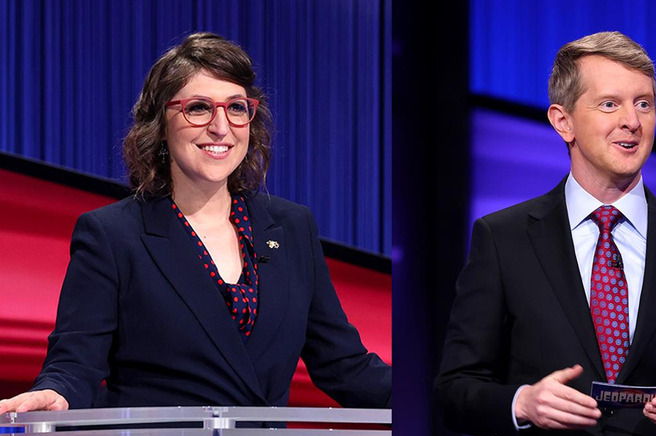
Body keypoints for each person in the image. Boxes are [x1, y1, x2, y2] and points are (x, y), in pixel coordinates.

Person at [0, 32, 390, 414]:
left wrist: (435, 395)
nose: (221, 127)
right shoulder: (113, 235)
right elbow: (76, 364)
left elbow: (344, 366)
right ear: (160, 123)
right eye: (199, 108)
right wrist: (56, 393)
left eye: (236, 108)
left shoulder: (291, 227)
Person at [435, 31, 656, 436]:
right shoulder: (502, 239)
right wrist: (523, 403)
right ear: (563, 121)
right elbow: (454, 391)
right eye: (610, 104)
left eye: (644, 104)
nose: (632, 121)